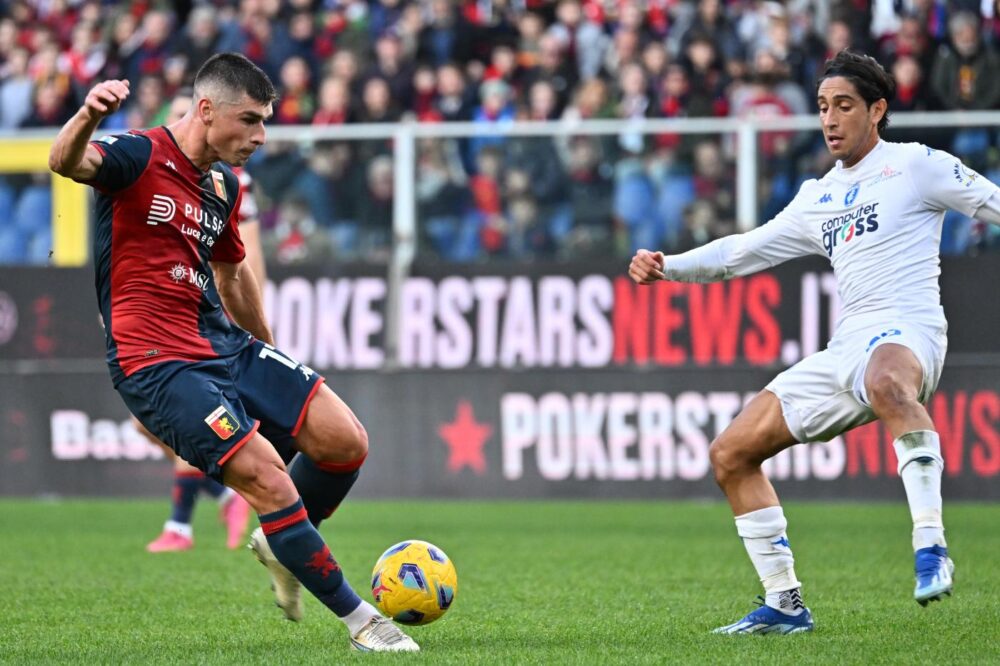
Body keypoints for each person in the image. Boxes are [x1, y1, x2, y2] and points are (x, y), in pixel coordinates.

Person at [48, 53, 418, 652]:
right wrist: (89, 114)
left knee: (345, 441)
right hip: (157, 362)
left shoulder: (223, 183)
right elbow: (65, 161)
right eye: (249, 120)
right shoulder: (137, 155)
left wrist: (270, 355)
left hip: (227, 345)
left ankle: (282, 542)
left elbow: (232, 276)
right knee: (273, 483)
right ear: (205, 110)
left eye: (264, 121)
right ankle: (363, 623)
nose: (260, 136)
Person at [628, 50, 1000, 634]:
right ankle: (784, 604)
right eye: (824, 107)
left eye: (844, 106)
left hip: (909, 328)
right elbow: (739, 252)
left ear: (877, 110)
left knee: (886, 383)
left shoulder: (918, 165)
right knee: (731, 454)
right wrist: (667, 265)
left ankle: (931, 546)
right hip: (846, 344)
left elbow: (994, 203)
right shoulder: (817, 197)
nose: (830, 119)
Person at [142, 88, 260, 554]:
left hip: (207, 322)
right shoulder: (153, 172)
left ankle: (180, 526)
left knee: (190, 418)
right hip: (161, 320)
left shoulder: (227, 183)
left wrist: (252, 326)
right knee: (150, 425)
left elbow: (243, 260)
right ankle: (224, 494)